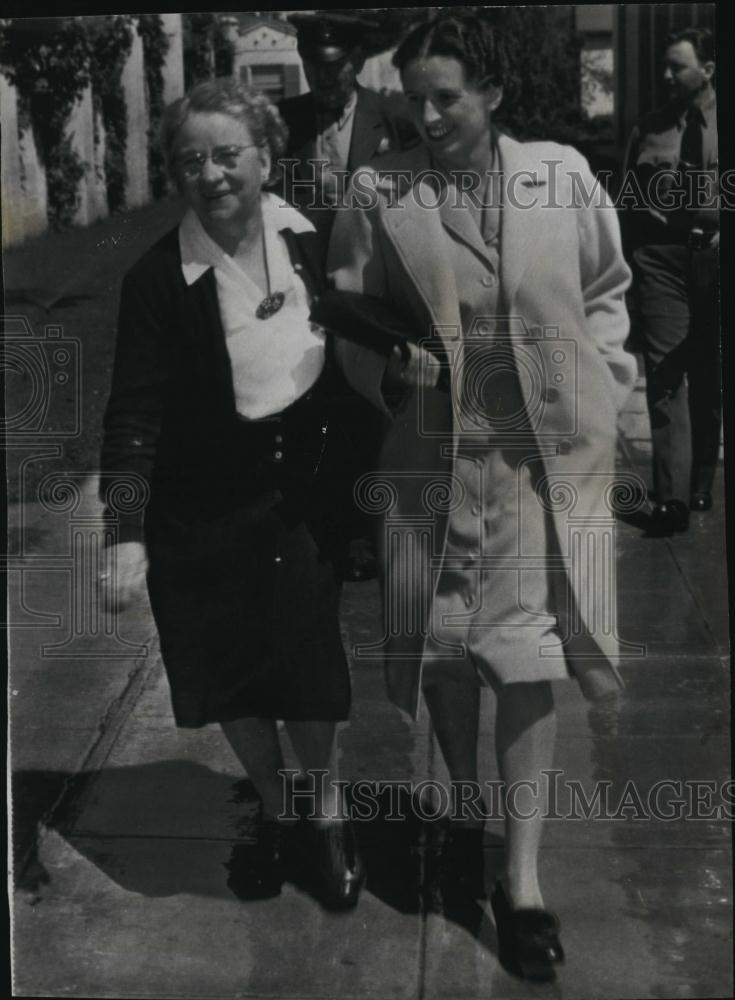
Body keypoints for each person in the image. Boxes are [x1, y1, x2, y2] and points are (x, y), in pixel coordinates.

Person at [328, 11, 636, 981]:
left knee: (527, 660)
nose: (428, 115)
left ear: (492, 94)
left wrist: (611, 391)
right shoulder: (380, 190)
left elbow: (606, 292)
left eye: (446, 97)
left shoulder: (562, 174)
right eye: (413, 98)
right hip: (430, 463)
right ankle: (464, 814)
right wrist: (389, 377)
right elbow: (349, 315)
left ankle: (526, 880)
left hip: (538, 468)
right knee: (448, 655)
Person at [100, 78, 364, 910]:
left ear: (265, 156)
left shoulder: (313, 237)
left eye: (226, 155)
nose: (211, 176)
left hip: (299, 495)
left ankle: (322, 813)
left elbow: (369, 339)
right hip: (201, 510)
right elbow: (133, 411)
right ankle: (280, 809)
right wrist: (125, 530)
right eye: (190, 162)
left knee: (307, 665)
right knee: (235, 676)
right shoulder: (155, 280)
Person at [622, 27, 720, 536]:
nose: (665, 76)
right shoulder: (648, 130)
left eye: (677, 67)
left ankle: (701, 477)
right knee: (665, 373)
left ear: (707, 70)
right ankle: (671, 497)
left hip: (719, 256)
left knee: (706, 370)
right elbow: (626, 202)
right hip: (661, 258)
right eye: (664, 66)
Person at [279, 12, 418, 258]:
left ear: (358, 61)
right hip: (302, 263)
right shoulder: (283, 121)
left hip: (373, 264)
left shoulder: (395, 119)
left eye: (333, 66)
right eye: (312, 65)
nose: (322, 78)